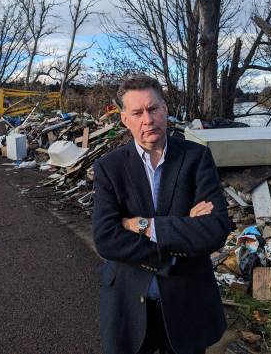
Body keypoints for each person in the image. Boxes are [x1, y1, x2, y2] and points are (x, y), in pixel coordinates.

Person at [92, 75, 230, 354]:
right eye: (137, 112)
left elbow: (215, 229)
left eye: (153, 108)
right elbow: (106, 238)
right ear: (124, 119)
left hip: (186, 303)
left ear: (165, 109)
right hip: (129, 304)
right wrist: (182, 234)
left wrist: (140, 225)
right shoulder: (109, 167)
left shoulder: (196, 158)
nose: (148, 119)